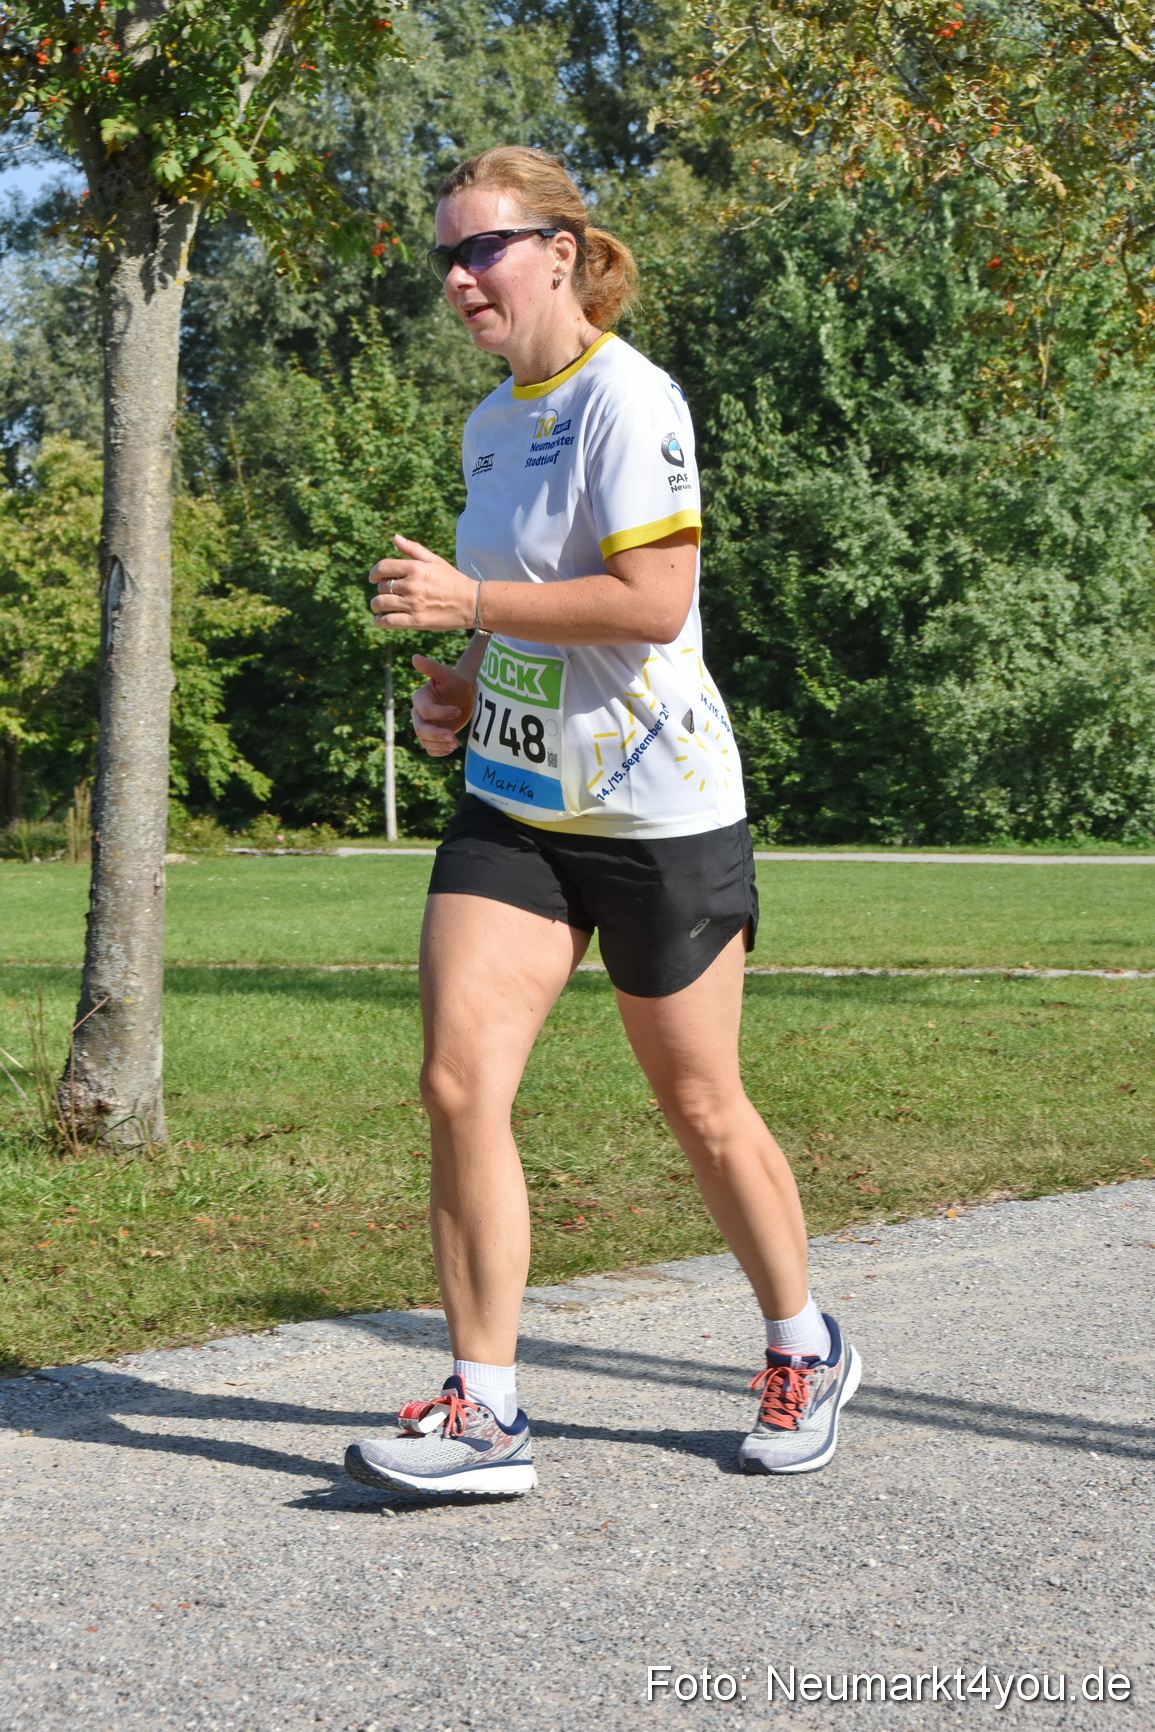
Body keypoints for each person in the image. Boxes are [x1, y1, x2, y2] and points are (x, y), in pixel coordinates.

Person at [344, 146, 860, 1497]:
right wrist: (460, 689)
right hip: (516, 808)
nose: (461, 279)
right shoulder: (490, 424)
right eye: (445, 257)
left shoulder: (633, 399)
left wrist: (467, 605)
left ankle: (803, 1341)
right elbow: (523, 615)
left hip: (655, 812)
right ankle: (487, 1409)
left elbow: (649, 604)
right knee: (458, 1085)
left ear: (560, 251)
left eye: (485, 250)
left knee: (700, 1103)